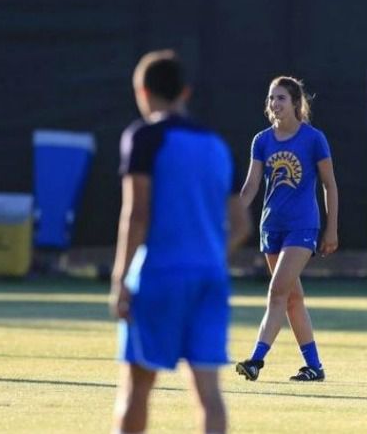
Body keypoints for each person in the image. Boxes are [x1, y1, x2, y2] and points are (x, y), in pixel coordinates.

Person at [109, 49, 251, 434]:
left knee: (137, 388)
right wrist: (208, 256)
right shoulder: (217, 146)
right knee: (209, 393)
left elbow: (136, 214)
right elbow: (241, 224)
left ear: (142, 91)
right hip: (209, 278)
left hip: (158, 275)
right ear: (185, 92)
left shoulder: (144, 137)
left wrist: (119, 279)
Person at [235, 76, 339, 382]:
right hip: (272, 227)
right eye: (271, 98)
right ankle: (314, 366)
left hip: (303, 226)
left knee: (277, 291)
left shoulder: (313, 138)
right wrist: (232, 216)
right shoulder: (262, 140)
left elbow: (330, 185)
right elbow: (252, 185)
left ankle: (256, 360)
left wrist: (331, 229)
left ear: (296, 103)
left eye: (281, 98)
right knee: (293, 299)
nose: (274, 104)